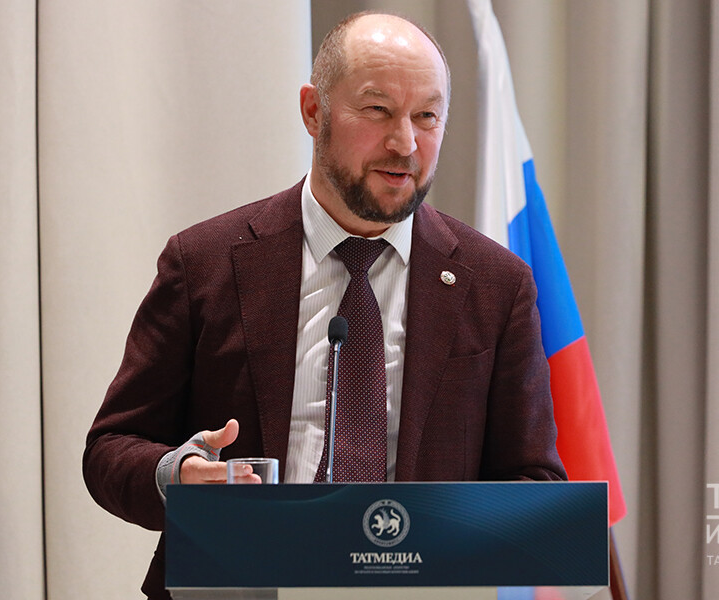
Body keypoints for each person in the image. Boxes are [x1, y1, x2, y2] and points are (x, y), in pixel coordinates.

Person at [83, 11, 566, 600]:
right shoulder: (205, 263)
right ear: (314, 112)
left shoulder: (494, 285)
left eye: (426, 116)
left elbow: (534, 479)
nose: (405, 144)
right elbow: (111, 448)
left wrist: (443, 535)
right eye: (378, 110)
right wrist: (179, 475)